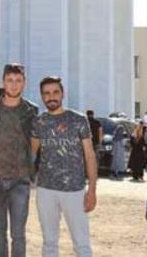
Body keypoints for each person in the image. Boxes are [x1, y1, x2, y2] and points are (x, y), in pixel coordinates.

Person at [0, 63, 39, 257]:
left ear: (24, 83)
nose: (14, 84)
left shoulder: (31, 111)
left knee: (18, 235)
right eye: (10, 80)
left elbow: (37, 143)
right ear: (3, 82)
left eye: (18, 80)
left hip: (20, 181)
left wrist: (32, 172)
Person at [31, 76, 96, 257]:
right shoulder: (38, 122)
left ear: (63, 94)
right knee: (49, 243)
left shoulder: (79, 120)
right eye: (46, 93)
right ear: (42, 96)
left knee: (82, 244)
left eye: (55, 92)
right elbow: (31, 153)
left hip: (74, 190)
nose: (51, 97)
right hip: (45, 189)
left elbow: (90, 156)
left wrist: (92, 189)